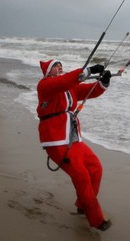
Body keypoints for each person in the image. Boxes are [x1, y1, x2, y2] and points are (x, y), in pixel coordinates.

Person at [36, 59, 112, 231]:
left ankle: (82, 204)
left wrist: (103, 82)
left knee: (95, 168)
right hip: (55, 140)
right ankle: (97, 219)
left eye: (60, 65)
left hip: (73, 139)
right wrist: (89, 70)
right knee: (81, 176)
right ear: (48, 71)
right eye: (55, 65)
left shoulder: (68, 86)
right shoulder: (45, 85)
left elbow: (88, 91)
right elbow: (64, 81)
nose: (60, 67)